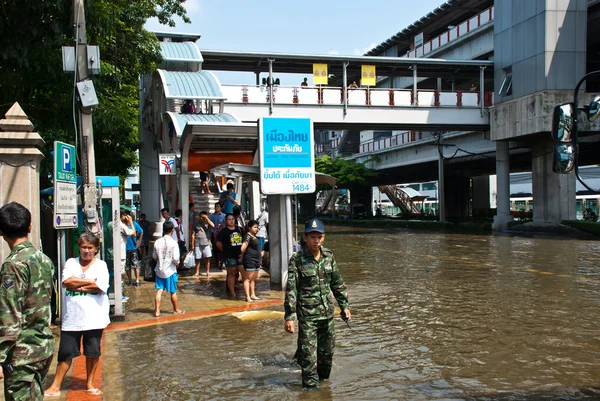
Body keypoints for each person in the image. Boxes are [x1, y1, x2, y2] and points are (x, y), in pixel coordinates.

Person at [284, 219, 351, 389]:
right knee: (309, 358)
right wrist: (289, 316)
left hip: (327, 315)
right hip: (308, 317)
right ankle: (311, 392)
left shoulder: (329, 256)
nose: (316, 241)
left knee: (327, 356)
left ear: (324, 237)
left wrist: (344, 306)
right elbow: (292, 289)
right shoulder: (297, 260)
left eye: (319, 237)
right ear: (305, 238)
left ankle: (325, 389)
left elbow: (337, 283)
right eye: (313, 237)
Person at [43, 233, 110, 397]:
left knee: (93, 352)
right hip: (71, 319)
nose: (86, 251)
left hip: (95, 318)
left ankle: (90, 383)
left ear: (96, 249)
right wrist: (89, 282)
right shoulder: (71, 262)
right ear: (79, 247)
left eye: (90, 248)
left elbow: (101, 286)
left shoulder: (101, 265)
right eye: (83, 247)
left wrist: (78, 285)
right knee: (66, 353)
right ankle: (56, 385)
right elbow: (66, 282)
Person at [0, 202, 54, 401]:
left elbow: (10, 314)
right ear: (30, 226)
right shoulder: (44, 259)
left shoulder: (13, 265)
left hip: (22, 354)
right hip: (42, 346)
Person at [152, 221, 184, 317]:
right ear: (172, 230)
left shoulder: (157, 242)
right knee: (173, 291)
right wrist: (177, 264)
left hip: (159, 270)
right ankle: (176, 309)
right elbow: (176, 258)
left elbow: (154, 256)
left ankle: (157, 311)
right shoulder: (174, 243)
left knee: (159, 290)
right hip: (170, 270)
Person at [216, 214, 244, 298]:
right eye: (229, 219)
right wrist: (225, 250)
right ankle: (232, 293)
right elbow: (218, 243)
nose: (231, 221)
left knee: (243, 273)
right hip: (229, 255)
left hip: (240, 255)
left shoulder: (240, 229)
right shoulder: (224, 231)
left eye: (232, 219)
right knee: (231, 273)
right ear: (226, 221)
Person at [240, 220, 261, 302]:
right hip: (250, 260)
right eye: (254, 227)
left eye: (257, 227)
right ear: (249, 227)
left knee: (253, 279)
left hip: (256, 260)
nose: (256, 229)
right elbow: (242, 248)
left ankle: (253, 294)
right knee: (247, 279)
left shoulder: (254, 236)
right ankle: (247, 296)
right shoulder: (248, 236)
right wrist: (243, 255)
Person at [191, 211, 214, 277]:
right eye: (201, 217)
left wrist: (206, 218)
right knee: (198, 258)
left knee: (207, 258)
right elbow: (193, 234)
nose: (201, 218)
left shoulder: (207, 223)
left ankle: (207, 272)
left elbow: (213, 225)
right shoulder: (195, 223)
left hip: (206, 243)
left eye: (203, 217)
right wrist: (192, 245)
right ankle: (197, 272)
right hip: (197, 243)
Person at [125, 215, 143, 286]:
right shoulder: (123, 225)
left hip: (133, 248)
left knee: (136, 265)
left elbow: (141, 231)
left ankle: (137, 280)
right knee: (127, 266)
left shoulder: (134, 224)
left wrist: (139, 241)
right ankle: (130, 280)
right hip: (125, 249)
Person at [119, 210, 136, 277]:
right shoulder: (121, 225)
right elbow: (134, 234)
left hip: (115, 252)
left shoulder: (112, 224)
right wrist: (131, 222)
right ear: (123, 215)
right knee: (121, 272)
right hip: (121, 252)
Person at [209, 202, 226, 270]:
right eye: (216, 206)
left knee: (221, 249)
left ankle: (221, 262)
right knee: (215, 249)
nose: (216, 208)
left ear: (221, 208)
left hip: (221, 235)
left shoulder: (224, 216)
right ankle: (217, 261)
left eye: (218, 206)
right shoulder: (211, 216)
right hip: (214, 234)